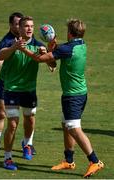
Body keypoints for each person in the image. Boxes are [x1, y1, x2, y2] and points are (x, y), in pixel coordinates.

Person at [17, 19, 104, 178]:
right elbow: (58, 55)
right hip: (77, 93)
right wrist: (53, 48)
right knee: (65, 124)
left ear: (69, 33)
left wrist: (23, 49)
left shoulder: (66, 48)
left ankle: (95, 161)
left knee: (73, 127)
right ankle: (69, 161)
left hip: (74, 96)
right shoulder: (81, 44)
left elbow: (40, 59)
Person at [0, 16, 53, 170]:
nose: (29, 29)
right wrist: (14, 48)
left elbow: (53, 65)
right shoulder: (9, 43)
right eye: (26, 26)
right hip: (11, 90)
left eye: (32, 26)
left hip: (29, 90)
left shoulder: (38, 45)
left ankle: (27, 144)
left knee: (29, 119)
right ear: (20, 28)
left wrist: (46, 54)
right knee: (13, 123)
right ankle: (7, 158)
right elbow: (1, 56)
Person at [0, 12, 36, 158]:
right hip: (7, 83)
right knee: (2, 113)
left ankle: (28, 143)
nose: (20, 26)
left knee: (29, 116)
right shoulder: (6, 42)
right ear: (11, 25)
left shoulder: (30, 39)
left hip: (25, 84)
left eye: (21, 24)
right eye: (17, 23)